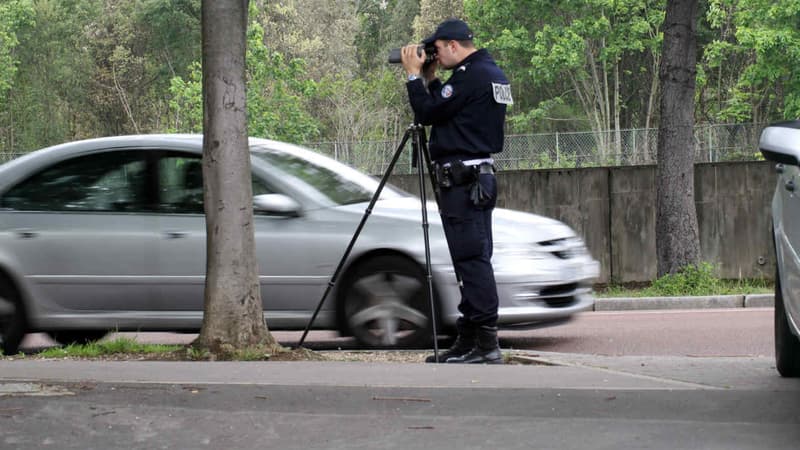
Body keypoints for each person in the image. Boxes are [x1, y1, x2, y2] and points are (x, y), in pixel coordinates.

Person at [400, 18, 512, 364]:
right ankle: (468, 339)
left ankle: (485, 344)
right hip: (474, 179)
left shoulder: (471, 75)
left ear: (452, 45)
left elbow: (429, 113)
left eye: (436, 49)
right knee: (472, 260)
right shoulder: (488, 73)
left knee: (472, 261)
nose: (434, 56)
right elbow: (447, 113)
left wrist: (413, 77)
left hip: (464, 182)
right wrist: (431, 78)